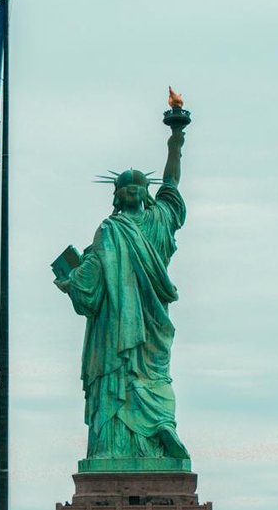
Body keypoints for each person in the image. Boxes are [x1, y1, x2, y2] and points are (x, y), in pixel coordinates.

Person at [55, 118, 190, 463]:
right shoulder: (156, 221)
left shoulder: (110, 230)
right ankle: (159, 426)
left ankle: (118, 446)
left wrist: (69, 282)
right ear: (143, 194)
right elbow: (172, 182)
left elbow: (88, 283)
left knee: (123, 375)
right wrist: (176, 138)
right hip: (145, 324)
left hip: (120, 329)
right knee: (155, 375)